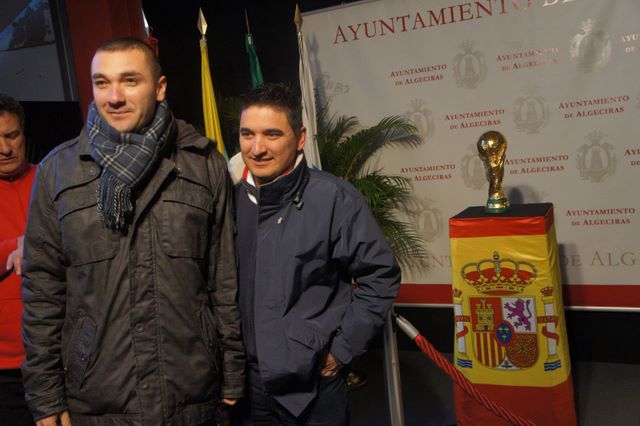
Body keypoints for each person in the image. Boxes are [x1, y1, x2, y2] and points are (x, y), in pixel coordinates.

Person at [21, 37, 244, 426]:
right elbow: (42, 291)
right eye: (102, 83)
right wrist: (45, 396)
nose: (114, 97)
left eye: (129, 81)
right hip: (97, 397)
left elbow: (223, 278)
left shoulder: (202, 164)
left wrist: (234, 372)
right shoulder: (58, 171)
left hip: (190, 392)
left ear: (159, 88)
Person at [232, 83, 401, 425]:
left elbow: (380, 276)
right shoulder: (228, 201)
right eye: (247, 134)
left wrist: (341, 350)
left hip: (313, 388)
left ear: (300, 138)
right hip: (246, 391)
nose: (257, 148)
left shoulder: (334, 199)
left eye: (272, 134)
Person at [0, 93, 36, 426]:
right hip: (4, 372)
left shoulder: (52, 179)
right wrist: (16, 245)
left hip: (63, 357)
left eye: (11, 136)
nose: (5, 148)